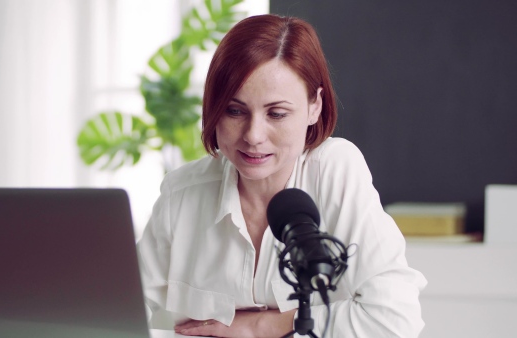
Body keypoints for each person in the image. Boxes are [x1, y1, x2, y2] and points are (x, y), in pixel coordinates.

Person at [137, 14, 427, 338]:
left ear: (314, 106)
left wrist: (262, 326)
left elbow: (395, 320)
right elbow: (120, 311)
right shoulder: (182, 192)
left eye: (276, 113)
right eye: (235, 110)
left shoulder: (334, 170)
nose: (254, 135)